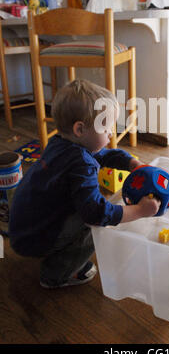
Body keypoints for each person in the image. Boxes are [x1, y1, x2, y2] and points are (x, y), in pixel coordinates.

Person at [9, 79, 160, 288]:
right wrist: (140, 211)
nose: (111, 133)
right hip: (35, 237)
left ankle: (56, 252)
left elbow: (102, 154)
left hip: (22, 228)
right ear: (80, 129)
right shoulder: (81, 163)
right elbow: (98, 214)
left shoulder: (60, 143)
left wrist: (131, 163)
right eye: (106, 128)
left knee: (88, 209)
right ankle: (56, 274)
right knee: (93, 224)